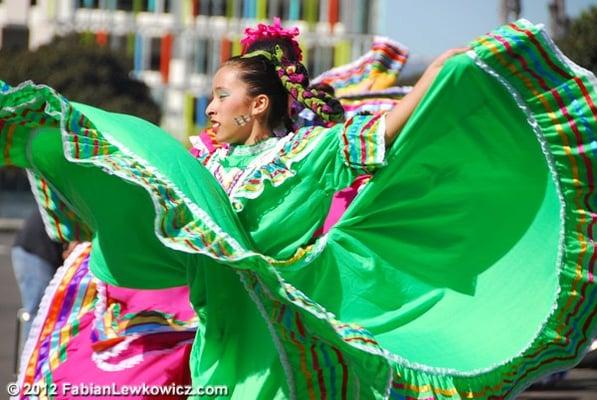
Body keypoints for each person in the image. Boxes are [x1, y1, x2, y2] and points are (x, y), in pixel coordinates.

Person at [1, 18, 596, 399]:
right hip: (219, 328)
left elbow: (384, 131)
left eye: (221, 96)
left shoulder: (310, 154)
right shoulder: (209, 164)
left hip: (286, 331)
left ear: (257, 105)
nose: (209, 109)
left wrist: (440, 73)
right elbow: (156, 189)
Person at [11, 208, 63, 338]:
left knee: (42, 311)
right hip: (35, 253)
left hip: (34, 250)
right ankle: (30, 356)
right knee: (38, 313)